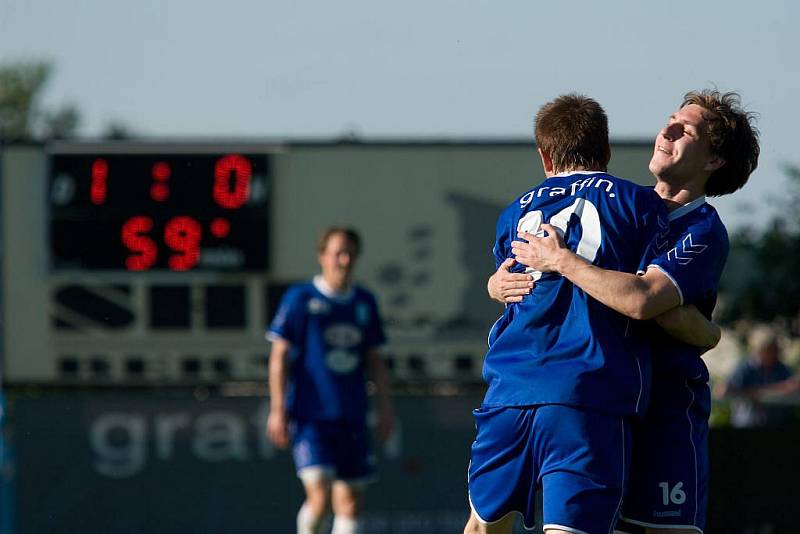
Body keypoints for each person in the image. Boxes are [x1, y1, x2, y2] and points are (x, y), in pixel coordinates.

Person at [502, 89, 760, 534]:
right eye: (671, 119)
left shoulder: (702, 229)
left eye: (687, 129)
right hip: (600, 403)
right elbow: (536, 268)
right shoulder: (619, 205)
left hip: (664, 411)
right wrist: (497, 281)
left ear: (714, 161)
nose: (667, 130)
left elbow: (643, 300)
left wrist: (567, 263)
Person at [464, 93, 680, 534]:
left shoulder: (514, 212)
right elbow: (654, 292)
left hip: (510, 388)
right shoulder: (638, 204)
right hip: (586, 390)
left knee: (483, 526)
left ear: (544, 155)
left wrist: (492, 285)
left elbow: (506, 279)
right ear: (607, 148)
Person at [266, 226, 394, 534]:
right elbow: (279, 356)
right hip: (311, 415)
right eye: (338, 253)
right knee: (320, 494)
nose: (344, 260)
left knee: (349, 499)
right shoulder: (300, 299)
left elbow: (375, 362)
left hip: (352, 414)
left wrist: (385, 409)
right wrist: (277, 409)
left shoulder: (364, 302)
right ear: (322, 256)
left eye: (350, 253)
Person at [717, 325, 798, 428]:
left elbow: (792, 387)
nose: (776, 353)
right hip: (748, 427)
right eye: (771, 350)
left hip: (778, 428)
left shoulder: (782, 368)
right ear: (761, 350)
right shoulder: (745, 368)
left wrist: (767, 392)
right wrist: (754, 394)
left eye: (776, 349)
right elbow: (722, 391)